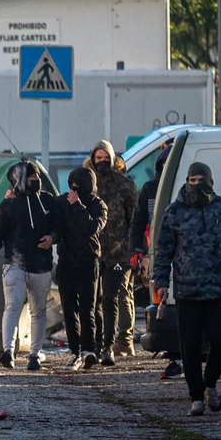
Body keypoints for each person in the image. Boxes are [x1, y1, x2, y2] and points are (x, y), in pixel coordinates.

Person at [152, 161, 221, 416]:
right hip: (187, 291)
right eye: (192, 180)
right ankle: (197, 396)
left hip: (217, 290)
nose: (196, 185)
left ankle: (211, 382)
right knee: (190, 347)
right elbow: (164, 251)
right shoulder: (174, 212)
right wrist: (161, 283)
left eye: (200, 180)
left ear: (209, 180)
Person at [0, 162, 59, 370]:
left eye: (37, 177)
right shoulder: (9, 205)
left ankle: (34, 354)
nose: (36, 181)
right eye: (32, 177)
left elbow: (60, 226)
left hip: (41, 266)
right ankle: (8, 351)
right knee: (14, 307)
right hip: (15, 264)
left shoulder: (48, 202)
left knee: (37, 310)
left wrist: (52, 237)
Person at [129, 141, 182, 380]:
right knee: (163, 305)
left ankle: (179, 357)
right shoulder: (150, 189)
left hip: (183, 256)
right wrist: (136, 251)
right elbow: (138, 222)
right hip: (157, 255)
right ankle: (174, 357)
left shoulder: (184, 188)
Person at [86, 139, 138, 365]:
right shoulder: (87, 184)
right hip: (92, 253)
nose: (103, 162)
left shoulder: (125, 185)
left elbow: (134, 220)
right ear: (92, 160)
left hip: (118, 253)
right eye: (98, 158)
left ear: (113, 158)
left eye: (106, 158)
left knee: (110, 298)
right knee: (93, 301)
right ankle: (95, 346)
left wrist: (135, 251)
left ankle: (109, 347)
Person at [58, 166, 107, 370]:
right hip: (66, 262)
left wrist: (78, 206)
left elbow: (92, 227)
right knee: (69, 310)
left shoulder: (98, 205)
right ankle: (74, 350)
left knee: (88, 308)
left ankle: (89, 349)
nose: (75, 189)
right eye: (73, 184)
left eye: (80, 185)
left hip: (88, 262)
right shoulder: (62, 202)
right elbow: (55, 223)